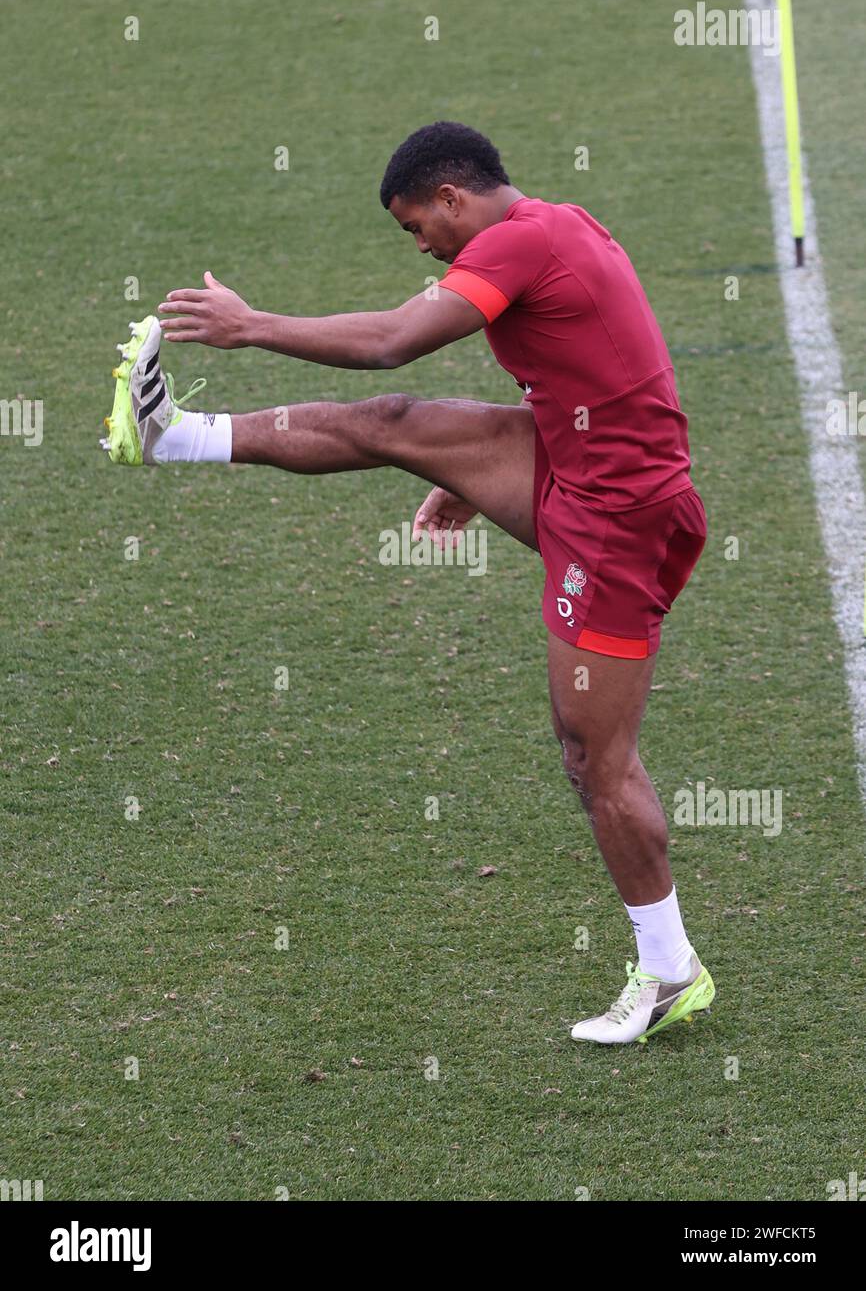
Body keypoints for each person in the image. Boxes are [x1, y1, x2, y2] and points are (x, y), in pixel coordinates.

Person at [102, 121, 714, 1043]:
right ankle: (174, 436)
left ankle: (670, 970)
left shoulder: (523, 241)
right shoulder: (553, 226)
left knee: (594, 756)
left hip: (620, 522)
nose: (422, 246)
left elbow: (394, 338)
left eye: (416, 227)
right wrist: (476, 475)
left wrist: (253, 325)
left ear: (452, 197)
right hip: (571, 460)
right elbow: (584, 374)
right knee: (393, 424)